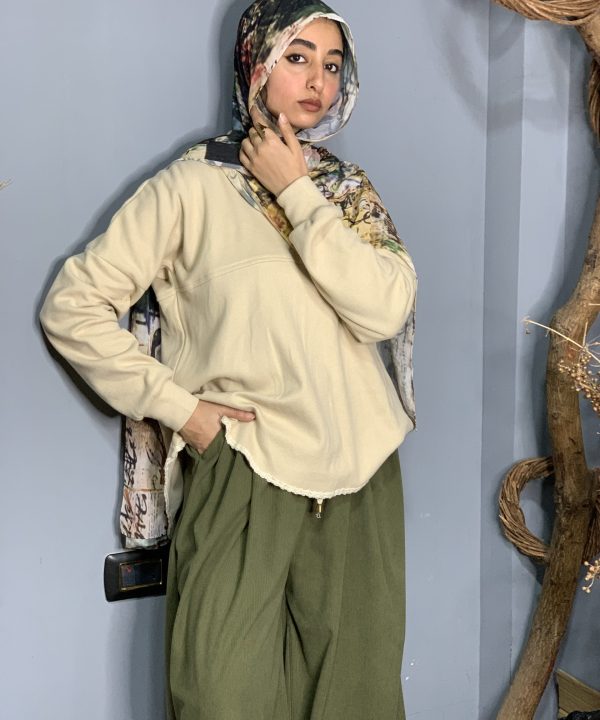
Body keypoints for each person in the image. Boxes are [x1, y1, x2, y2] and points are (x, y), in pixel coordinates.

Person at [40, 0, 417, 717]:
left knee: (358, 701)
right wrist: (184, 413)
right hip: (246, 467)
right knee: (221, 697)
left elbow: (384, 310)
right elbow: (72, 307)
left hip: (362, 474)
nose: (318, 80)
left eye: (332, 63)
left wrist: (298, 192)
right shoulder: (191, 186)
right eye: (297, 57)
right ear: (256, 62)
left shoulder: (347, 194)